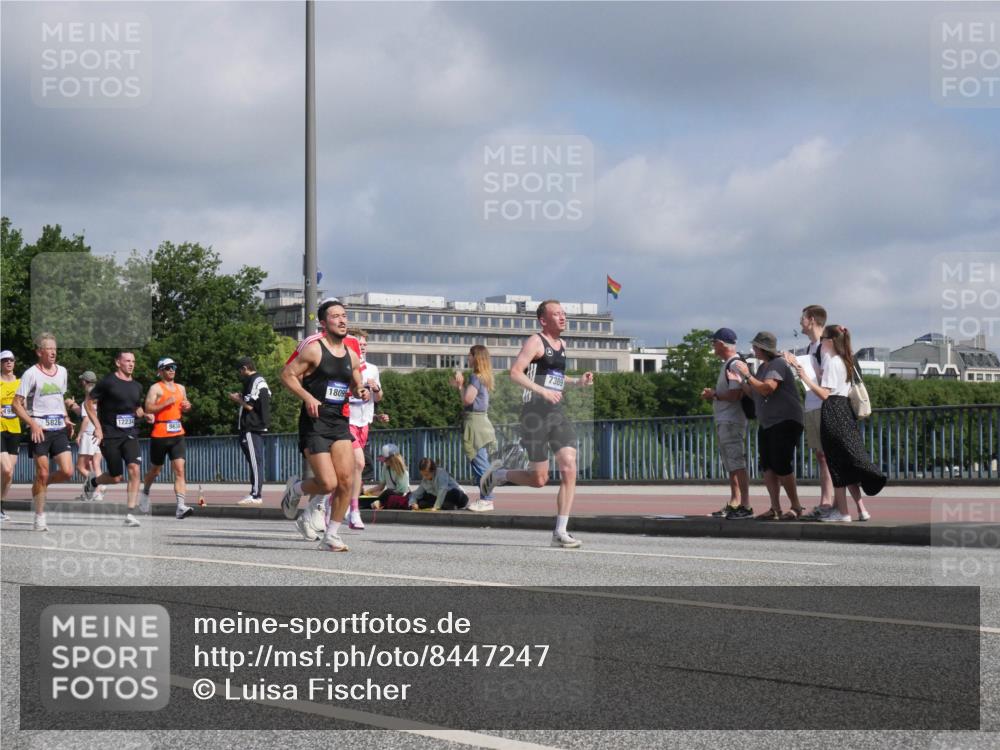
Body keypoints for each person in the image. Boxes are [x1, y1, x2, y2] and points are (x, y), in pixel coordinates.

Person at [479, 300, 594, 548]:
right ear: (543, 320)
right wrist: (541, 391)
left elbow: (556, 379)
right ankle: (499, 475)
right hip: (533, 416)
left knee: (569, 466)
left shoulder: (562, 345)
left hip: (555, 413)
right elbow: (516, 372)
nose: (563, 317)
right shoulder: (535, 342)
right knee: (539, 479)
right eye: (557, 314)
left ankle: (560, 532)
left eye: (564, 313)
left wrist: (577, 382)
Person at [280, 298, 370, 552]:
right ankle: (296, 489)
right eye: (335, 316)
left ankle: (331, 534)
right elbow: (286, 375)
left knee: (346, 481)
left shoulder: (351, 355)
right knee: (328, 483)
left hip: (339, 422)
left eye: (344, 315)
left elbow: (354, 383)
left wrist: (361, 390)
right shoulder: (314, 349)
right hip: (314, 422)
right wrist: (308, 397)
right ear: (323, 322)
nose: (342, 320)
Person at [793, 325, 886, 522]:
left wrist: (805, 379)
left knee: (836, 463)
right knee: (845, 461)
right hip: (844, 410)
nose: (821, 343)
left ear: (830, 341)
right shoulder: (846, 361)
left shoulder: (833, 362)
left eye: (824, 339)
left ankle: (842, 512)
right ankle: (858, 509)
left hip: (833, 411)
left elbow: (825, 393)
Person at [728, 332, 805, 520]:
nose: (753, 349)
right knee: (768, 466)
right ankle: (775, 508)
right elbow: (756, 393)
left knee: (781, 463)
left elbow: (767, 388)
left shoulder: (778, 363)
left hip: (785, 420)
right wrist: (742, 380)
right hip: (768, 422)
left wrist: (747, 374)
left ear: (763, 348)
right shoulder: (763, 367)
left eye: (755, 347)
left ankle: (796, 506)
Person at [13, 334, 75, 531]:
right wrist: (32, 423)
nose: (53, 352)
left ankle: (40, 484)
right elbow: (16, 404)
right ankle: (39, 517)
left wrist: (65, 418)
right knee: (42, 471)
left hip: (58, 429)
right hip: (39, 429)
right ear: (39, 352)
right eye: (48, 348)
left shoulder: (63, 371)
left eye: (55, 348)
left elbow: (59, 398)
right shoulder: (31, 374)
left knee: (67, 471)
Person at [80, 351, 146, 527]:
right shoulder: (108, 382)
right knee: (116, 477)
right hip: (109, 435)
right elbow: (88, 403)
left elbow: (136, 407)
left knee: (134, 469)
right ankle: (93, 481)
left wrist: (145, 415)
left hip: (130, 433)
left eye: (133, 361)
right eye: (127, 361)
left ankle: (130, 514)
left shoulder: (137, 386)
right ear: (118, 362)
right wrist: (98, 427)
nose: (131, 364)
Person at [701, 328, 752, 520]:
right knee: (731, 464)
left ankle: (744, 504)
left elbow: (734, 394)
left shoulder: (735, 364)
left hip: (732, 420)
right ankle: (735, 502)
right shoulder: (729, 364)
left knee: (737, 463)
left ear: (722, 344)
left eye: (714, 343)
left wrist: (713, 394)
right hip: (727, 420)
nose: (712, 346)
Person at [138, 358, 194, 519]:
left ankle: (181, 507)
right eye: (168, 367)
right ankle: (145, 492)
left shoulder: (181, 388)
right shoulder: (156, 388)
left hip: (177, 433)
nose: (172, 370)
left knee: (180, 470)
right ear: (160, 370)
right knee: (155, 470)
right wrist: (164, 403)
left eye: (174, 367)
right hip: (160, 434)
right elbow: (148, 408)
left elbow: (184, 406)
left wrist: (187, 406)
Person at [451, 344, 497, 512]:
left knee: (479, 462)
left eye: (469, 356)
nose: (467, 358)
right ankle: (486, 498)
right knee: (481, 460)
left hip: (475, 424)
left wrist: (460, 384)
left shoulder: (476, 377)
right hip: (481, 422)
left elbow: (467, 400)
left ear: (476, 358)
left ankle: (487, 499)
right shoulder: (484, 376)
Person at [345, 329, 383, 530]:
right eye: (359, 343)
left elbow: (379, 397)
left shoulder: (373, 369)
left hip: (364, 421)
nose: (363, 346)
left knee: (354, 467)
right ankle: (352, 510)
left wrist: (374, 389)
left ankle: (348, 508)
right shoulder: (343, 367)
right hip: (346, 420)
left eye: (365, 343)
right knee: (358, 463)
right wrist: (357, 394)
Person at [231, 357, 271, 505]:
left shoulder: (252, 380)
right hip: (259, 425)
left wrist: (237, 399)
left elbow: (249, 406)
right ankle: (255, 493)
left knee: (255, 462)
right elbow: (260, 400)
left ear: (245, 368)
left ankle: (256, 495)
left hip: (251, 426)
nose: (240, 373)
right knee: (256, 461)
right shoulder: (261, 381)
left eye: (240, 370)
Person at [68, 371, 105, 503]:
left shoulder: (88, 396)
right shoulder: (100, 394)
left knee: (80, 466)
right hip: (99, 433)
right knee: (95, 463)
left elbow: (85, 419)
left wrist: (79, 435)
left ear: (85, 381)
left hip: (89, 434)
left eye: (82, 380)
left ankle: (99, 484)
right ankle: (93, 492)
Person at [1, 350, 22, 520]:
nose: (8, 362)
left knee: (9, 473)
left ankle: (1, 506)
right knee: (6, 468)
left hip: (15, 430)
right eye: (5, 360)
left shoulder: (21, 383)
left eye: (11, 360)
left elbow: (27, 406)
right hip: (0, 428)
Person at [366, 443, 411, 510]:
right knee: (369, 498)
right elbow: (381, 486)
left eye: (386, 459)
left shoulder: (403, 472)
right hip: (387, 495)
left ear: (392, 458)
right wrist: (368, 491)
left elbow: (400, 493)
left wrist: (378, 494)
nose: (384, 461)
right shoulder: (385, 467)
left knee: (388, 492)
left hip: (398, 497)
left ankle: (378, 503)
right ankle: (377, 503)